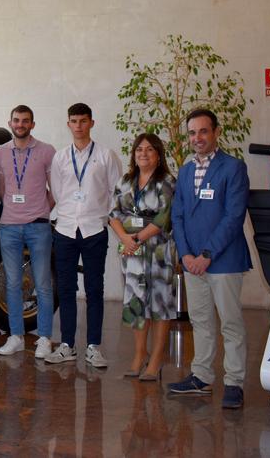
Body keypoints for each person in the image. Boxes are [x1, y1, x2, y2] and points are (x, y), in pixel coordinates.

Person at [167, 109, 251, 409]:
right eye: (192, 133)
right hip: (193, 262)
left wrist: (207, 255)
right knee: (200, 321)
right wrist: (186, 254)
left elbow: (233, 217)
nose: (197, 138)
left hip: (223, 260)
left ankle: (234, 382)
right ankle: (201, 377)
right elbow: (177, 215)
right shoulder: (185, 170)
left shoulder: (233, 168)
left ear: (216, 132)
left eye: (203, 131)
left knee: (230, 323)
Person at [47, 103, 122, 368]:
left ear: (91, 123)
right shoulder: (60, 157)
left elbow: (116, 193)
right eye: (74, 121)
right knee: (66, 288)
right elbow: (58, 192)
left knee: (94, 289)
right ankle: (67, 345)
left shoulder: (106, 155)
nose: (78, 126)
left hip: (94, 230)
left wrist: (103, 217)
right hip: (65, 229)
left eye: (83, 121)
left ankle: (93, 347)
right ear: (68, 124)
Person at [108, 133, 177, 381]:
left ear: (158, 155)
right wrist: (125, 239)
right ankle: (139, 354)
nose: (143, 154)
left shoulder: (166, 181)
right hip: (132, 253)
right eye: (139, 149)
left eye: (149, 149)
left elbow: (164, 217)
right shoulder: (125, 181)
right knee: (137, 303)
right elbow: (113, 214)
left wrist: (136, 239)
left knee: (160, 304)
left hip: (159, 252)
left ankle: (156, 359)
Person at [0, 105, 56, 359]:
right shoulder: (0, 152)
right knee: (12, 283)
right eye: (16, 120)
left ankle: (44, 338)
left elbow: (55, 189)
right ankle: (16, 336)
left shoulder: (47, 151)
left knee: (43, 284)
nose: (20, 124)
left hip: (38, 227)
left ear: (32, 124)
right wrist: (14, 208)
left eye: (25, 121)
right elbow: (2, 189)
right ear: (10, 123)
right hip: (9, 227)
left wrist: (42, 211)